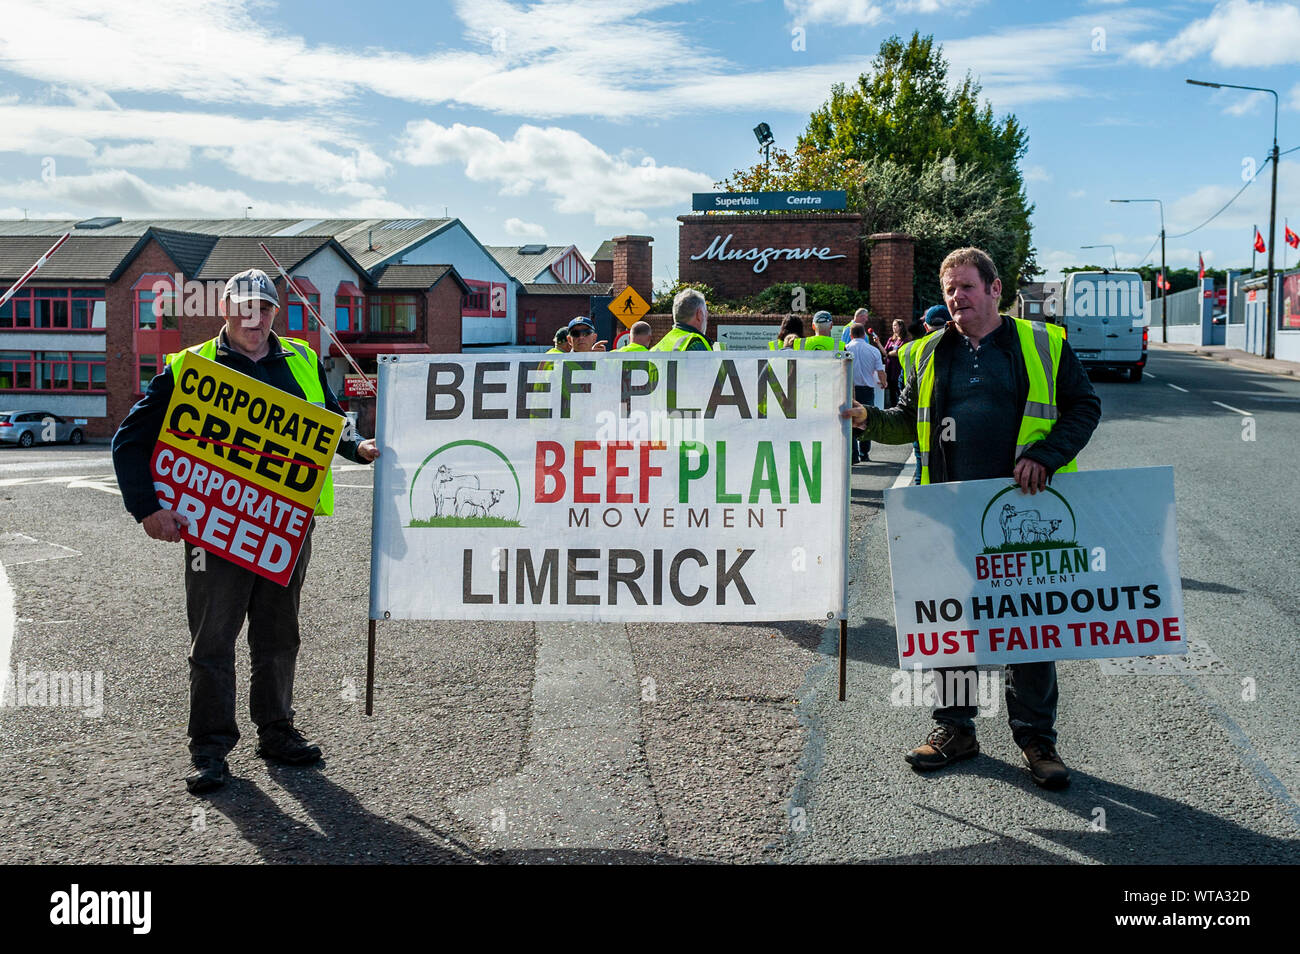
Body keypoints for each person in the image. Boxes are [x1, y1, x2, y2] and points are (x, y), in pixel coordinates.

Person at [111, 268, 381, 795]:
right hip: (216, 530)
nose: (253, 316)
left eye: (264, 306)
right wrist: (148, 509)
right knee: (212, 640)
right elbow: (129, 440)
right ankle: (209, 750)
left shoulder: (301, 358)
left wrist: (358, 447)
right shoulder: (190, 367)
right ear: (226, 309)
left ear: (275, 312)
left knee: (279, 636)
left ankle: (276, 731)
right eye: (243, 305)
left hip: (284, 528)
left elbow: (327, 420)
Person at [842, 247, 1100, 789]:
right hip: (951, 512)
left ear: (994, 289)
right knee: (953, 626)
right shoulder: (930, 353)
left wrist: (1045, 456)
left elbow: (1084, 407)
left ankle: (1036, 740)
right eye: (950, 290)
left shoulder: (1045, 345)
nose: (957, 298)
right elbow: (904, 422)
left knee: (1029, 629)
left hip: (1026, 514)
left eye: (966, 287)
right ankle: (955, 729)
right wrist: (867, 419)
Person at [845, 323, 886, 463]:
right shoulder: (873, 350)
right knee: (866, 420)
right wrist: (884, 382)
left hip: (849, 390)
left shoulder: (846, 349)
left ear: (851, 335)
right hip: (868, 390)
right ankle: (864, 453)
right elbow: (880, 371)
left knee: (849, 420)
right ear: (864, 334)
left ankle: (853, 454)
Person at [883, 318, 910, 408]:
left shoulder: (904, 340)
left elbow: (899, 352)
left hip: (897, 369)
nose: (893, 327)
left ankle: (900, 408)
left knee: (898, 390)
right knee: (891, 391)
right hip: (889, 368)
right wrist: (878, 342)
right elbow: (884, 352)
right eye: (892, 325)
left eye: (895, 325)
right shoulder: (891, 339)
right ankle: (892, 408)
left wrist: (890, 353)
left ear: (901, 327)